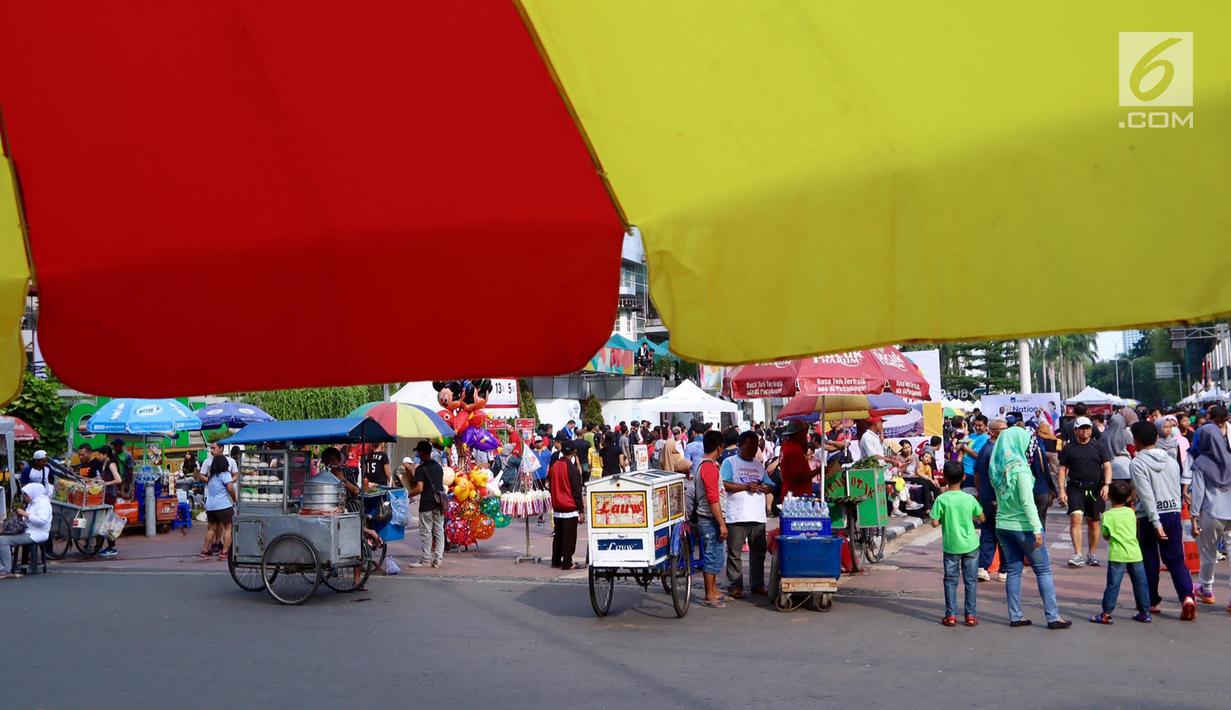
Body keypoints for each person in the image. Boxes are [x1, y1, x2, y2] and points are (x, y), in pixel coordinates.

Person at [990, 427, 1071, 629]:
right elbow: (1027, 503)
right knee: (1043, 570)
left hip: (1003, 525)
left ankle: (1015, 616)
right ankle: (1053, 617)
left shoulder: (998, 468)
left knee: (1014, 571)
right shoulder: (1021, 469)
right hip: (1024, 527)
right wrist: (1037, 529)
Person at [1129, 420, 1197, 619]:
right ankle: (1187, 596)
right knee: (1176, 559)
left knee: (1149, 559)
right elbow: (1176, 488)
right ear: (1157, 437)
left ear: (1136, 440)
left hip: (1149, 516)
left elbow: (1146, 494)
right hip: (1173, 512)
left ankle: (1151, 601)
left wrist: (1155, 521)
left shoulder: (1137, 463)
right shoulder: (1170, 460)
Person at [1089, 480, 1153, 624]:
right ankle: (1145, 612)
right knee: (1141, 583)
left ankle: (1106, 613)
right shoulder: (1131, 512)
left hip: (1118, 554)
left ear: (1109, 496)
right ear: (1128, 497)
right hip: (1135, 553)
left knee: (1113, 585)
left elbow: (1106, 535)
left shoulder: (1107, 515)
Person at [931, 461, 985, 626]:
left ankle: (951, 615)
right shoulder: (969, 499)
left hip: (951, 546)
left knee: (950, 580)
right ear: (963, 477)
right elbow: (982, 518)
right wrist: (974, 518)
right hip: (971, 545)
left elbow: (934, 522)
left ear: (945, 478)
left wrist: (943, 519)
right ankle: (970, 615)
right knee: (970, 581)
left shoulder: (942, 499)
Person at [1190, 405, 1231, 608]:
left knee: (1208, 553)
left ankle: (1206, 589)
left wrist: (1193, 516)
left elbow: (1197, 492)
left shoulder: (1200, 462)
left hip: (1211, 511)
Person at [1057, 416, 1112, 568]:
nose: (1085, 431)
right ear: (1075, 430)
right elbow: (1062, 470)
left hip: (1096, 488)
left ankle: (1092, 553)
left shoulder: (1099, 446)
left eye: (1087, 428)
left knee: (1094, 522)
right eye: (1081, 428)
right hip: (1075, 488)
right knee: (1076, 518)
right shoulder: (1068, 448)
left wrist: (1106, 485)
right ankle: (1078, 554)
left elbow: (1107, 466)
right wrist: (1061, 490)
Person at [721, 431, 770, 599]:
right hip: (737, 515)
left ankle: (757, 584)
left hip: (757, 516)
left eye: (756, 446)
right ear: (740, 445)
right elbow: (724, 484)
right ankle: (735, 585)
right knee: (735, 553)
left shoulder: (758, 465)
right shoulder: (730, 462)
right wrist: (745, 487)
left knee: (758, 552)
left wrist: (765, 487)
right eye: (750, 445)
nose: (753, 449)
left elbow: (770, 484)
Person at [693, 430, 729, 608]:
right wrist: (722, 523)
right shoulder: (708, 467)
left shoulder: (707, 464)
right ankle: (709, 594)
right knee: (711, 555)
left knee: (716, 554)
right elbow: (713, 498)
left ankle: (714, 590)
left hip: (710, 516)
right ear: (719, 447)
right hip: (708, 518)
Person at [973, 418, 1008, 582]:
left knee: (988, 532)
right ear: (993, 431)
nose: (1005, 432)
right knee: (1003, 533)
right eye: (1002, 429)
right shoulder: (999, 450)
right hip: (1000, 499)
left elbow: (977, 474)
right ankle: (1003, 569)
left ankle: (983, 566)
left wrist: (981, 493)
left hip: (987, 496)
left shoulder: (985, 449)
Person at [405, 441, 446, 568]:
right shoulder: (439, 467)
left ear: (422, 453)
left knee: (426, 532)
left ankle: (426, 559)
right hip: (439, 503)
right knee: (439, 531)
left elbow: (419, 488)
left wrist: (407, 494)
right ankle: (438, 559)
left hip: (427, 504)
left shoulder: (421, 469)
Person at [0, 483, 53, 579]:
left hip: (36, 533)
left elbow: (42, 521)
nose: (25, 497)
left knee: (2, 540)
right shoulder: (33, 503)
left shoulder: (43, 504)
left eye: (26, 495)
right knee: (2, 536)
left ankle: (5, 570)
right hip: (28, 530)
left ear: (32, 493)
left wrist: (26, 514)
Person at [547, 440, 585, 570]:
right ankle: (567, 562)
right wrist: (581, 510)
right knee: (569, 537)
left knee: (558, 535)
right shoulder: (572, 469)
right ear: (574, 452)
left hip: (557, 505)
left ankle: (556, 560)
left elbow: (550, 485)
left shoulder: (554, 466)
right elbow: (576, 491)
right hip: (570, 506)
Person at [199, 447, 236, 561]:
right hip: (223, 505)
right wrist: (234, 499)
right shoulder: (225, 474)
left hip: (210, 506)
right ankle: (224, 552)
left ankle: (205, 550)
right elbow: (230, 488)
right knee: (228, 527)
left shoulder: (211, 477)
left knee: (211, 528)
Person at [94, 444, 123, 557]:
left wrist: (105, 483)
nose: (98, 456)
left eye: (100, 454)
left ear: (105, 455)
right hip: (105, 495)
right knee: (105, 520)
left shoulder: (111, 464)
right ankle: (108, 546)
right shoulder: (104, 464)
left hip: (109, 496)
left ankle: (112, 547)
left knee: (109, 521)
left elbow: (118, 480)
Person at [778, 421, 814, 498]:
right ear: (800, 433)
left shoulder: (785, 446)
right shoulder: (794, 449)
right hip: (796, 497)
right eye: (804, 432)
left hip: (790, 493)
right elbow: (798, 476)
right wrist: (819, 471)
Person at [961, 415, 990, 491]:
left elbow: (978, 455)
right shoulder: (972, 435)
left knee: (970, 494)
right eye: (975, 425)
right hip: (963, 470)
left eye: (980, 425)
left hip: (971, 472)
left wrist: (964, 447)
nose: (977, 427)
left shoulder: (985, 438)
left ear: (986, 426)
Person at [1101, 414, 1133, 481]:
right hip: (1127, 467)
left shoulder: (1105, 434)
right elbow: (1131, 450)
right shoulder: (1127, 433)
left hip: (1109, 465)